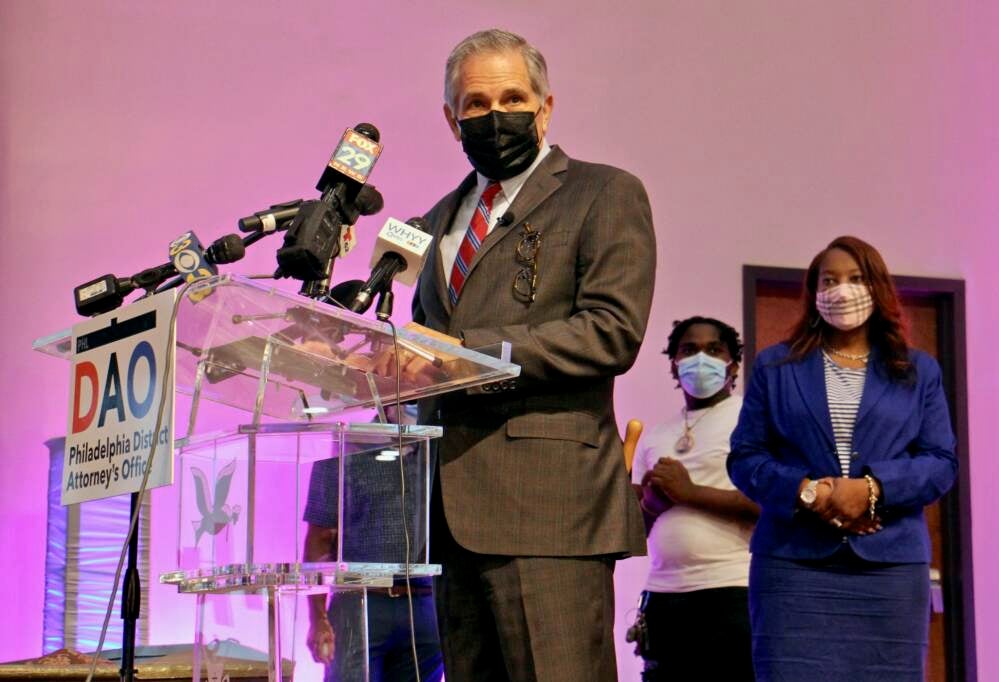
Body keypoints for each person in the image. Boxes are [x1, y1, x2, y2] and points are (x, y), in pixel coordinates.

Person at [410, 28, 656, 681]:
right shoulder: (433, 221)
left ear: (545, 108)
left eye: (512, 98)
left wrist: (469, 354)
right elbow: (421, 346)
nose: (496, 117)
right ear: (450, 119)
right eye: (476, 105)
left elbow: (612, 330)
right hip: (449, 513)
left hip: (552, 510)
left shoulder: (604, 193)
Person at [727, 235, 958, 681]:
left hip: (890, 569)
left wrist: (870, 489)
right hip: (793, 567)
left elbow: (940, 461)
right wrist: (809, 492)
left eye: (855, 278)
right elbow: (746, 457)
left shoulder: (918, 370)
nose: (842, 290)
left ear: (878, 288)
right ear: (814, 293)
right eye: (829, 280)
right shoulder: (776, 366)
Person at [631, 316, 758, 681]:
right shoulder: (656, 435)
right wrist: (652, 504)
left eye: (713, 350)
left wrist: (689, 493)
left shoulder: (750, 420)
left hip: (732, 592)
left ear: (732, 363)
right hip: (663, 596)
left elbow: (772, 506)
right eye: (689, 350)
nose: (700, 359)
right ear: (673, 363)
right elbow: (634, 530)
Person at [303, 405, 444, 682]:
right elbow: (320, 537)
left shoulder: (438, 448)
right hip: (359, 604)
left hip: (425, 606)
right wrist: (317, 617)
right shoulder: (348, 444)